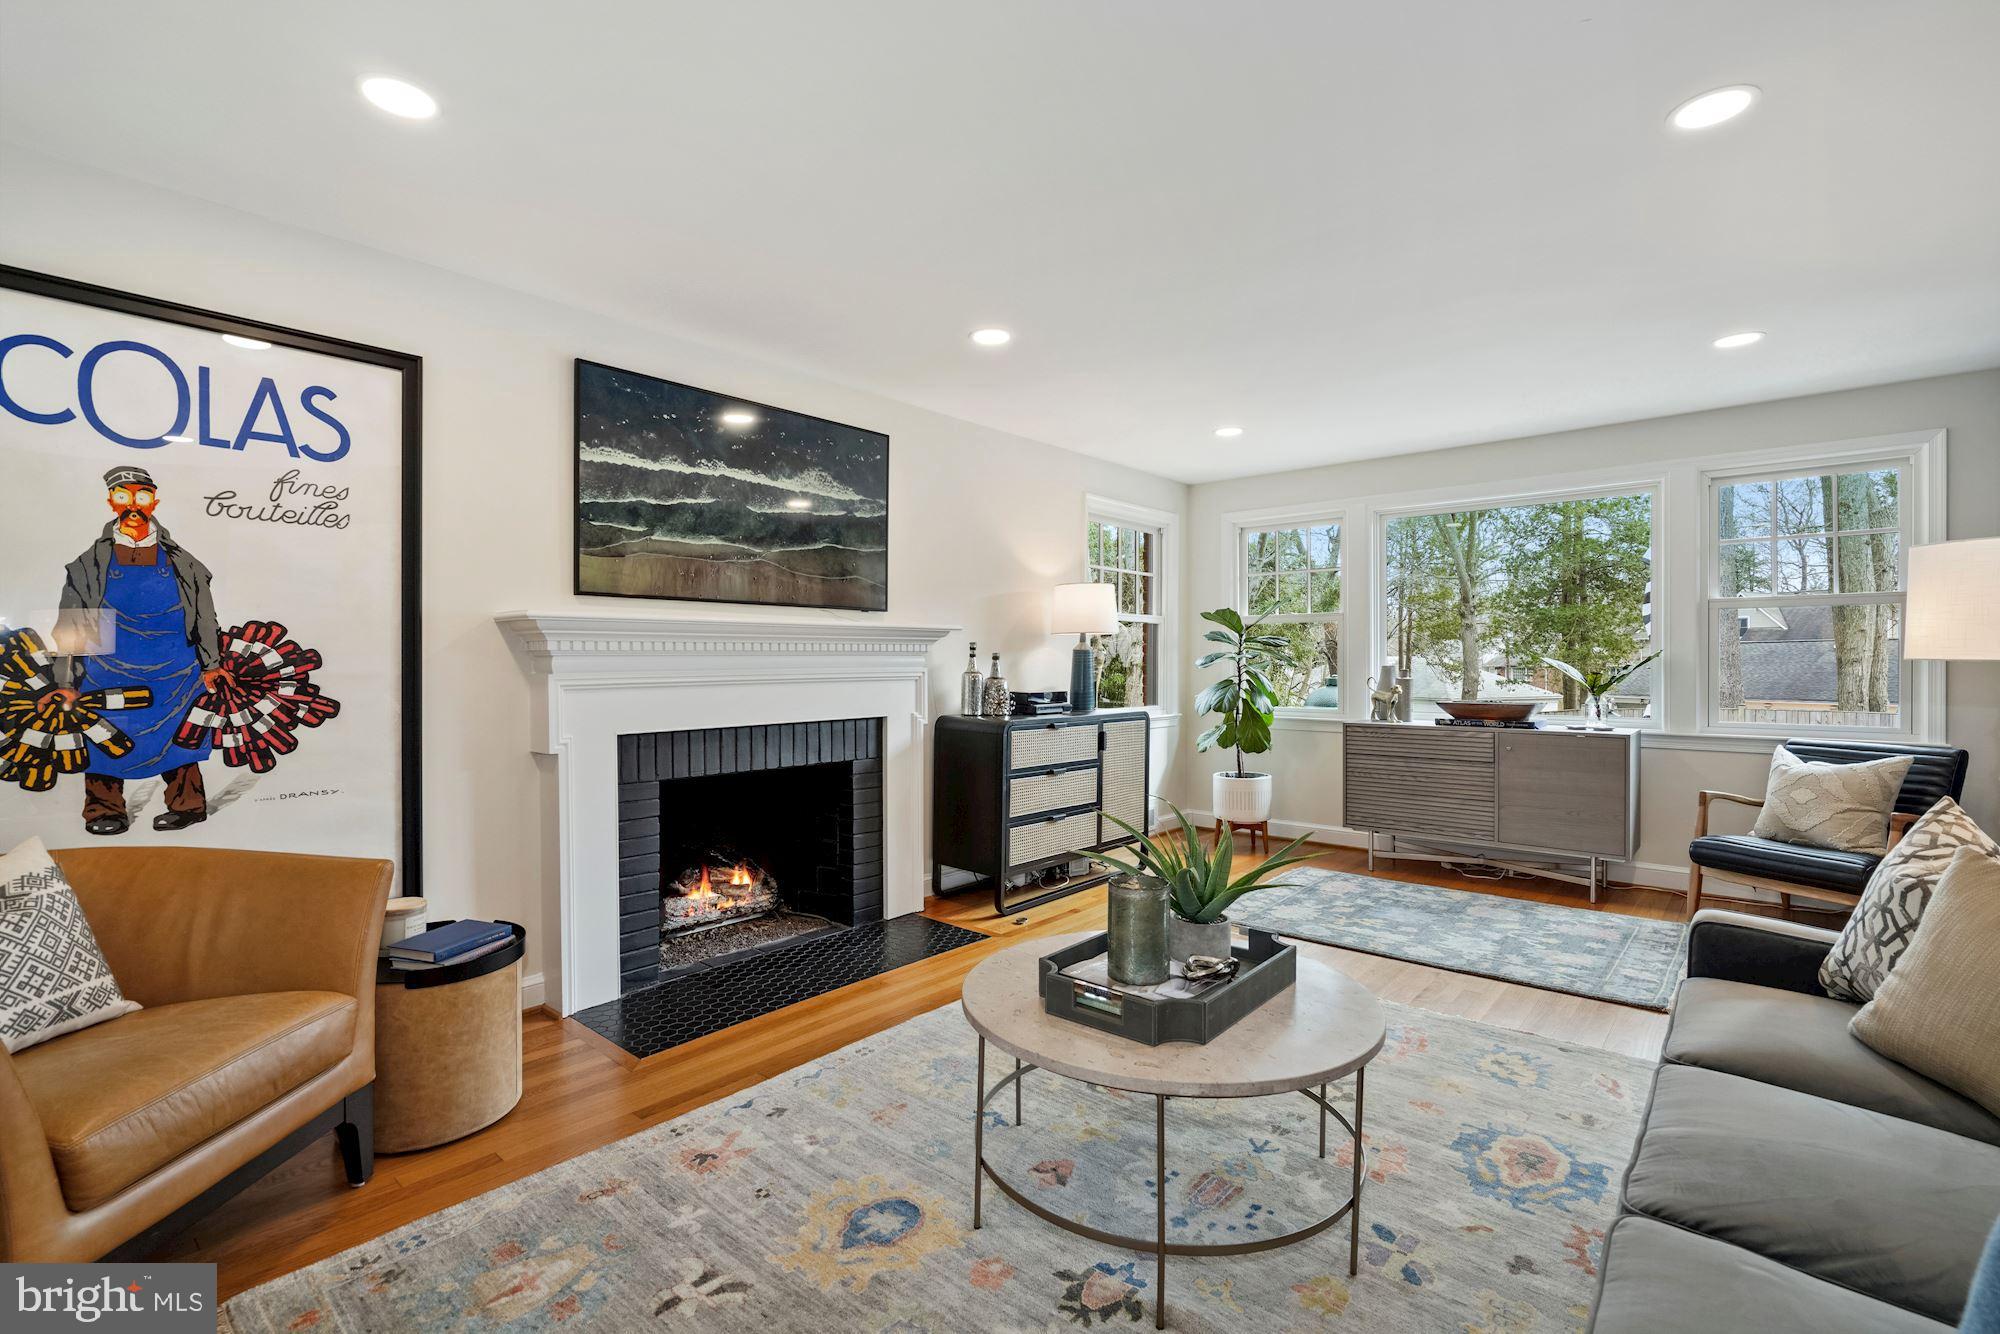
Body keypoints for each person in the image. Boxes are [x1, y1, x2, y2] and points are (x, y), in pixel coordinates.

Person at [42, 465, 225, 834]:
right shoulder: (88, 565)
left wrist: (211, 664)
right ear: (112, 502)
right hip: (107, 667)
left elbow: (205, 616)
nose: (133, 506)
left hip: (176, 667)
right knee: (103, 737)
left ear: (153, 501)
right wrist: (65, 680)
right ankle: (104, 811)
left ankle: (188, 806)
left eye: (141, 496)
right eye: (124, 497)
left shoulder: (183, 562)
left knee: (181, 738)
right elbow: (71, 626)